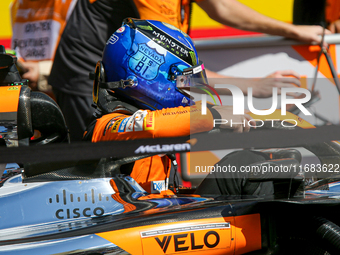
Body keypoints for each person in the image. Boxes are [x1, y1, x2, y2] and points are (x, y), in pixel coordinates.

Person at [50, 0, 326, 141]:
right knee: (113, 174)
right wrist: (249, 87)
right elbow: (167, 66)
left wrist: (292, 30)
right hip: (99, 82)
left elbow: (222, 6)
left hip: (133, 74)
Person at [83, 18, 273, 197]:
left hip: (156, 217)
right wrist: (212, 116)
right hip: (122, 225)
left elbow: (174, 122)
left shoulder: (171, 125)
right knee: (242, 165)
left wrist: (265, 120)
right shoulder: (106, 127)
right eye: (183, 81)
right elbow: (153, 126)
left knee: (262, 165)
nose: (187, 90)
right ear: (149, 74)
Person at [10, 0, 77, 96]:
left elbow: (85, 60)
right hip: (26, 97)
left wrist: (42, 71)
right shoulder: (16, 5)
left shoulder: (73, 4)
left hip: (63, 98)